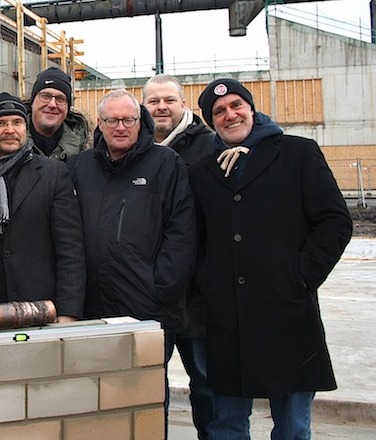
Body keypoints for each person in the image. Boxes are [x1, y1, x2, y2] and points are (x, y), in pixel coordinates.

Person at [189, 78, 352, 439]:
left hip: (288, 312)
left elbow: (335, 222)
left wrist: (302, 275)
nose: (230, 115)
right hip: (228, 317)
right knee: (226, 425)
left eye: (236, 106)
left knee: (293, 426)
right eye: (219, 112)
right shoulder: (203, 171)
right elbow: (196, 238)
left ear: (251, 108)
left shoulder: (297, 153)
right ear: (211, 121)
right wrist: (209, 280)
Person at [66, 88, 196, 430]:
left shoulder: (166, 165)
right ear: (100, 123)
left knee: (147, 404)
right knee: (96, 403)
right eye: (112, 120)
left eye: (128, 120)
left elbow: (182, 235)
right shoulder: (79, 168)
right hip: (92, 312)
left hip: (148, 313)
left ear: (141, 122)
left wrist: (159, 289)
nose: (120, 127)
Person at [143, 73, 214, 439]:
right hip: (153, 293)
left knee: (206, 385)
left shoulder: (210, 147)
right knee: (152, 387)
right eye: (154, 101)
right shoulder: (135, 151)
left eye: (169, 100)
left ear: (183, 104)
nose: (161, 107)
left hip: (200, 295)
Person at [0, 92, 85, 321]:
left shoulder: (52, 174)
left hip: (39, 307)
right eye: (0, 123)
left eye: (17, 122)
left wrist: (68, 312)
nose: (10, 130)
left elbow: (70, 249)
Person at [27, 66, 90, 161]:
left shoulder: (85, 151)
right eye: (45, 96)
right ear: (32, 102)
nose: (52, 104)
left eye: (60, 99)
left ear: (68, 108)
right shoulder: (9, 141)